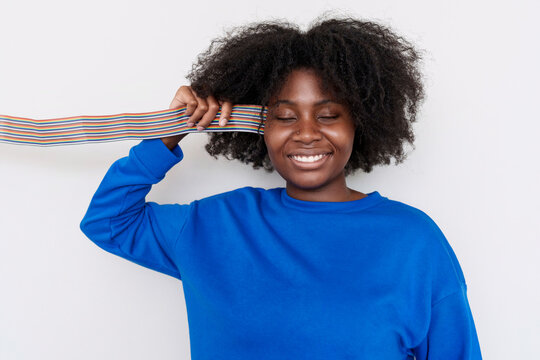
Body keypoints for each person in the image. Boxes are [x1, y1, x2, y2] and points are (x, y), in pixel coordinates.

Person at [80, 14, 482, 359]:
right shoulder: (216, 225)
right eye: (285, 117)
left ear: (360, 122)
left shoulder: (413, 240)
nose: (306, 133)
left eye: (328, 115)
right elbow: (108, 221)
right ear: (259, 127)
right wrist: (168, 134)